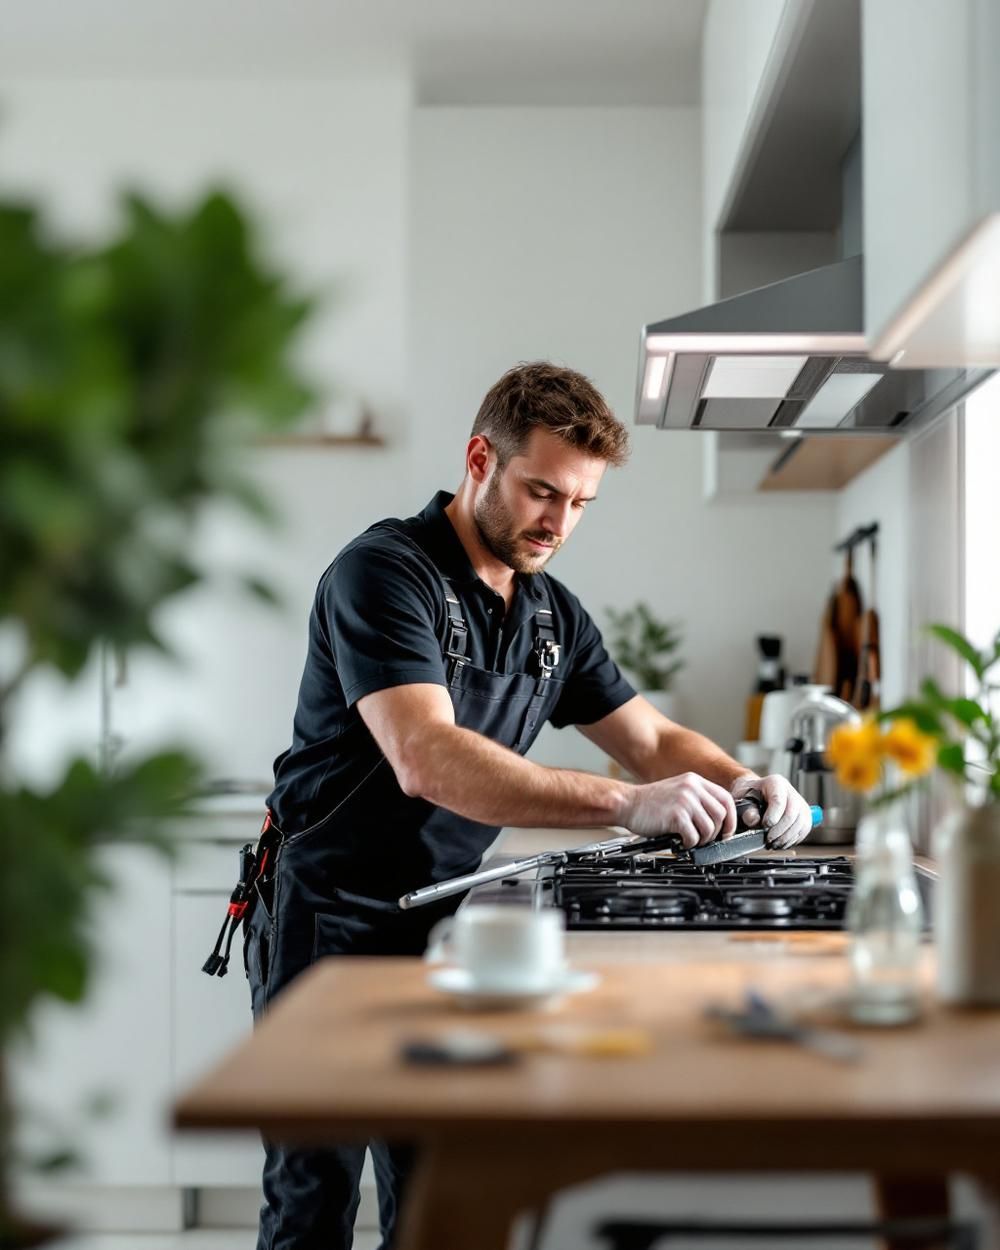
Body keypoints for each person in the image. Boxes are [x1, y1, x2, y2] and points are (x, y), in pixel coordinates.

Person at [244, 360, 814, 1250]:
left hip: (444, 924)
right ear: (481, 458)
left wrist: (743, 781)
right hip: (327, 916)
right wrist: (631, 805)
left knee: (435, 1191)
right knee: (313, 1201)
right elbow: (427, 758)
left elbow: (652, 740)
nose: (558, 523)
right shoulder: (384, 574)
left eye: (580, 503)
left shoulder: (552, 615)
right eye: (542, 491)